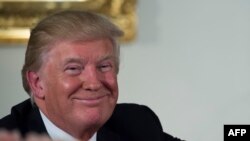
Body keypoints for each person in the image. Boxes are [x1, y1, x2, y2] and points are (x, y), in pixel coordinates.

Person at [0, 10, 183, 141]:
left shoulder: (137, 124)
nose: (94, 83)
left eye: (104, 66)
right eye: (73, 69)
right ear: (38, 83)